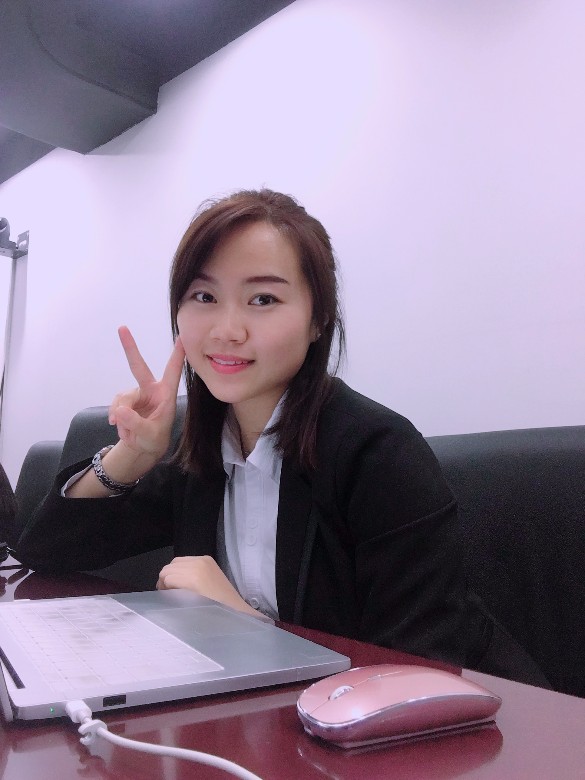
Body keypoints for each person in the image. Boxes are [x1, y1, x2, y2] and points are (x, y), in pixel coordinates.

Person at [15, 189, 548, 684]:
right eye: (204, 295)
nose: (227, 330)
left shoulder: (379, 454)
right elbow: (45, 551)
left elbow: (414, 675)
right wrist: (132, 456)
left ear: (318, 319)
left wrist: (240, 625)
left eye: (263, 299)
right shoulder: (199, 448)